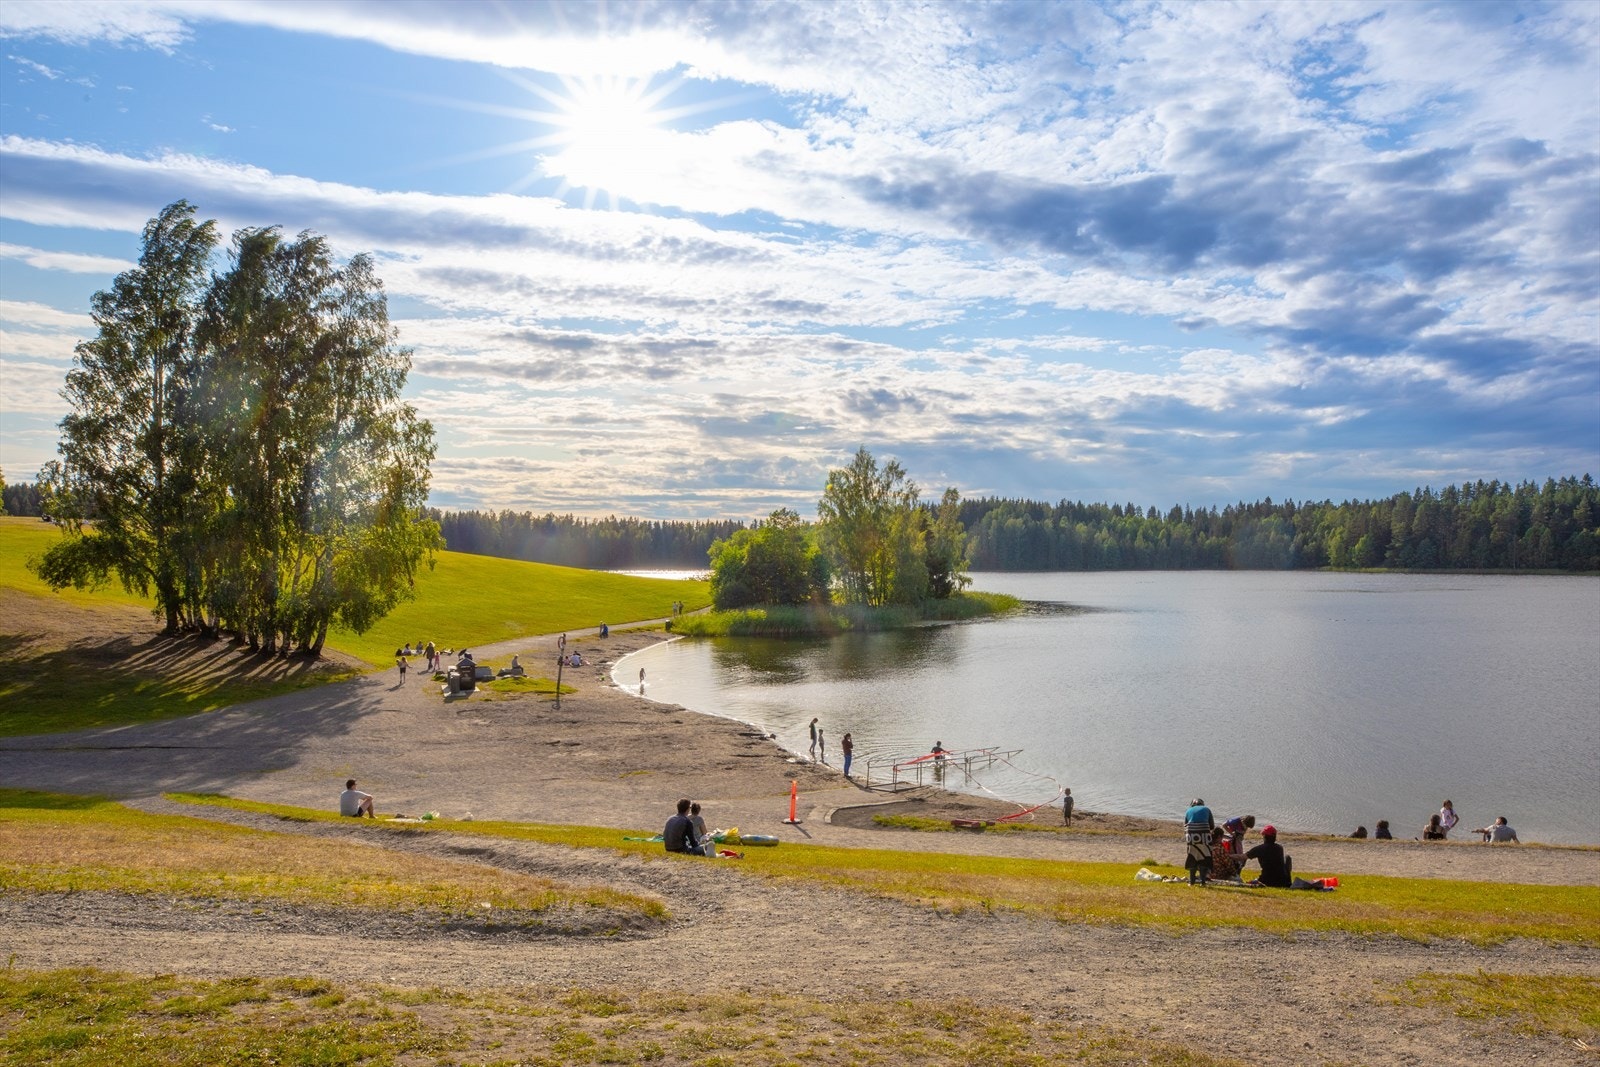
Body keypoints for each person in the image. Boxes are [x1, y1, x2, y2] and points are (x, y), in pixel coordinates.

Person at [1184, 798, 1215, 886]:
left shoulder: (1188, 810)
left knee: (1192, 855)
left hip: (1191, 835)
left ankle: (1192, 882)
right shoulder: (1207, 809)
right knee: (1204, 856)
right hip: (1204, 834)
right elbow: (1212, 826)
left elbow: (1185, 824)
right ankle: (1203, 882)